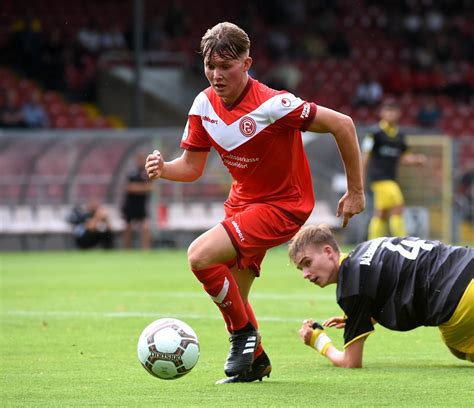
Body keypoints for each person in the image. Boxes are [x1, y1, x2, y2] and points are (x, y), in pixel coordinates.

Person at [145, 22, 365, 384]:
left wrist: (355, 191)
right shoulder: (203, 103)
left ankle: (243, 337)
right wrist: (164, 168)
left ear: (247, 64)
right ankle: (255, 361)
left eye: (226, 67)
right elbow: (192, 167)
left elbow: (344, 124)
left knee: (199, 256)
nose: (216, 75)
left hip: (283, 205)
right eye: (210, 66)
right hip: (242, 204)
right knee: (234, 295)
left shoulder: (275, 105)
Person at [290, 224, 474, 367]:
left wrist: (318, 341)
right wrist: (363, 316)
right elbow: (398, 274)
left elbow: (350, 362)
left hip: (461, 299)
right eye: (301, 269)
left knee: (457, 346)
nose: (305, 274)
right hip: (468, 259)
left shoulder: (351, 288)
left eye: (308, 263)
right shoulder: (367, 246)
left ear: (328, 251)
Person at [362, 100, 426, 240]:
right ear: (382, 113)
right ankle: (403, 240)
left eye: (393, 111)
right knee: (398, 204)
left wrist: (417, 160)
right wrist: (361, 180)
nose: (390, 114)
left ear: (399, 114)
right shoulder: (374, 133)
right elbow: (366, 157)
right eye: (388, 111)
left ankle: (372, 242)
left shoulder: (400, 136)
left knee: (382, 213)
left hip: (391, 178)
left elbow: (405, 157)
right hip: (379, 179)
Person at [121, 152, 153, 249]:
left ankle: (146, 249)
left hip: (141, 205)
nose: (140, 161)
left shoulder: (147, 173)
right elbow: (129, 188)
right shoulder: (132, 173)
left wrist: (138, 188)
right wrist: (143, 188)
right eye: (139, 159)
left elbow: (151, 187)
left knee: (145, 227)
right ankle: (127, 249)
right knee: (127, 227)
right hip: (130, 204)